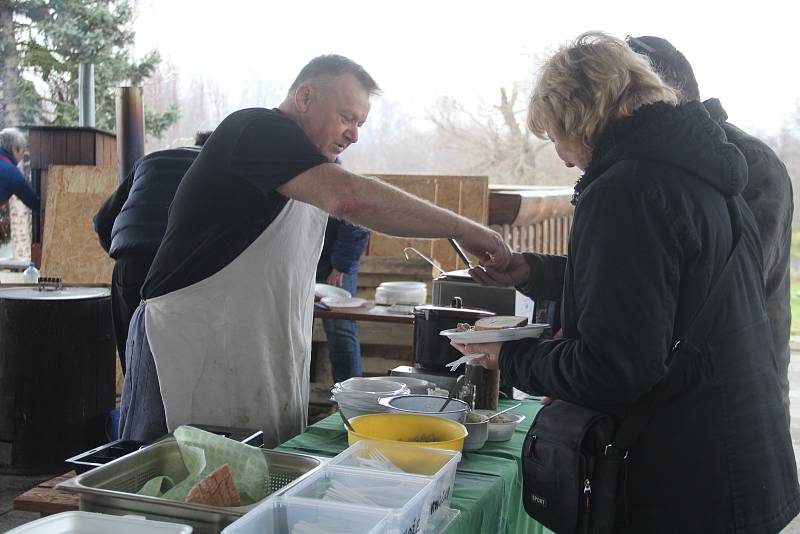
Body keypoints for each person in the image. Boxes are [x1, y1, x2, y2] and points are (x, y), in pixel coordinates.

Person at [458, 33, 799, 532]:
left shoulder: (626, 189)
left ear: (579, 116)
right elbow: (667, 289)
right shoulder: (704, 173)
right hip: (743, 462)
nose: (561, 155)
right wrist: (539, 272)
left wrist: (508, 357)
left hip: (683, 480)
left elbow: (615, 368)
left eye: (555, 132)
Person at [120, 54, 510, 446]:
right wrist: (464, 229)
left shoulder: (310, 167)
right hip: (188, 347)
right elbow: (351, 199)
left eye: (360, 124)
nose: (354, 134)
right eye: (347, 117)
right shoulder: (257, 129)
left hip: (253, 350)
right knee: (168, 488)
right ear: (305, 97)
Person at [625, 36, 794, 418]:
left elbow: (733, 285)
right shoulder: (654, 165)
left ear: (660, 94)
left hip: (746, 393)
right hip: (682, 393)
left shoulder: (751, 163)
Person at [94, 131, 211, 373]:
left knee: (133, 359)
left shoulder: (151, 161)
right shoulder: (218, 167)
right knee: (178, 366)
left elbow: (102, 221)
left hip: (131, 262)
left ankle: (133, 406)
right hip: (182, 270)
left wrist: (125, 258)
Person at [316, 216, 370, 382]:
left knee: (340, 330)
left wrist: (341, 264)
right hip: (301, 261)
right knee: (295, 329)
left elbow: (356, 218)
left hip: (333, 264)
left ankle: (349, 399)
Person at [0, 128, 39, 246]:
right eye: (22, 152)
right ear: (14, 149)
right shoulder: (11, 172)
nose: (22, 157)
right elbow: (34, 202)